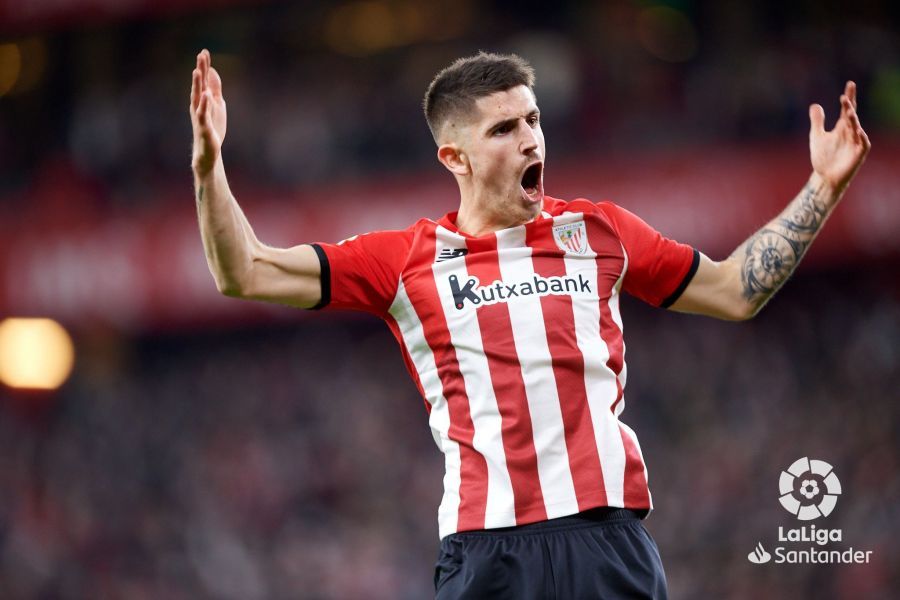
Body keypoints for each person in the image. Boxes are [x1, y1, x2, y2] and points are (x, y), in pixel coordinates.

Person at [189, 49, 870, 598]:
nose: (530, 141)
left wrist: (823, 187)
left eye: (534, 121)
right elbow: (243, 271)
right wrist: (209, 167)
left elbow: (733, 290)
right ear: (454, 157)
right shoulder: (405, 260)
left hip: (608, 541)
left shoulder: (598, 231)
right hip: (488, 553)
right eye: (504, 129)